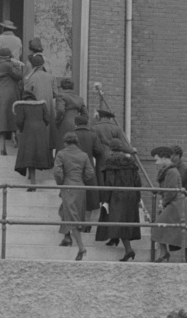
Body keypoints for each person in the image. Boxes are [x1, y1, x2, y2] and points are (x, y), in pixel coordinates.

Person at [94, 139, 142, 261]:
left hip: (117, 196)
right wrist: (138, 197)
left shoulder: (111, 161)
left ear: (111, 149)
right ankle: (114, 238)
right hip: (131, 195)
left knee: (117, 220)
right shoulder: (131, 162)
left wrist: (106, 199)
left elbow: (109, 182)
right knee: (124, 220)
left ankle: (129, 250)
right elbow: (138, 182)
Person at [53, 131, 96, 260]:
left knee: (72, 216)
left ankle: (81, 247)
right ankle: (67, 237)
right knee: (65, 210)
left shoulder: (61, 154)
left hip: (68, 186)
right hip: (80, 187)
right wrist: (81, 179)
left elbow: (57, 171)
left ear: (65, 142)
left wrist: (61, 182)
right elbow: (90, 172)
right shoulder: (83, 155)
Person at [150, 146, 187, 262]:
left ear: (164, 158)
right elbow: (168, 188)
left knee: (158, 225)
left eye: (157, 159)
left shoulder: (171, 171)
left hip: (175, 204)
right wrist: (159, 191)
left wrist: (163, 203)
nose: (156, 163)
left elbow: (171, 191)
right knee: (184, 230)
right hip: (174, 203)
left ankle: (164, 252)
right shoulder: (168, 171)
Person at [12, 90, 53, 191]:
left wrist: (22, 129)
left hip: (28, 130)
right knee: (37, 153)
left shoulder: (22, 105)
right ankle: (32, 177)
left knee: (29, 155)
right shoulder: (41, 105)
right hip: (41, 130)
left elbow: (19, 121)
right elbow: (47, 119)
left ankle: (33, 182)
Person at [70, 112, 104, 219]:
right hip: (88, 165)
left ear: (76, 123)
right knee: (90, 195)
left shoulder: (71, 134)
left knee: (74, 194)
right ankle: (87, 222)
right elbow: (98, 150)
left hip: (74, 166)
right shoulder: (93, 135)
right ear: (87, 122)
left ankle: (77, 221)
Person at [23, 54, 58, 153]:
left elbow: (27, 93)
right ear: (43, 64)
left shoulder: (31, 77)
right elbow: (55, 93)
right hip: (49, 107)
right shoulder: (51, 77)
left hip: (35, 108)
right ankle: (49, 155)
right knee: (49, 131)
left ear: (33, 65)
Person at [91, 109, 129, 188]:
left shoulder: (94, 128)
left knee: (101, 180)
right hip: (114, 157)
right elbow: (122, 145)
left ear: (100, 117)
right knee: (114, 180)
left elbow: (93, 144)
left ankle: (102, 195)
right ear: (109, 118)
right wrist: (132, 150)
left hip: (100, 157)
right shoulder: (117, 128)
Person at [53, 79, 86, 152]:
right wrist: (80, 123)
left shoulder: (61, 95)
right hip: (76, 125)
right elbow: (85, 114)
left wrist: (57, 121)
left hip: (64, 123)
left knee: (62, 147)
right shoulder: (79, 98)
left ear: (62, 87)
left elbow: (60, 110)